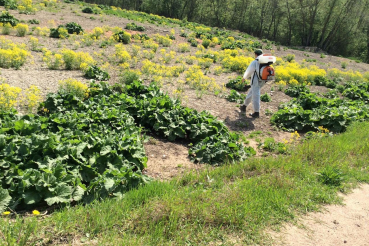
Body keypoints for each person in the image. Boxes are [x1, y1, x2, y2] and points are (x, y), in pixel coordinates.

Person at [239, 49, 265, 118]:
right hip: (262, 81)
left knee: (256, 95)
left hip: (256, 81)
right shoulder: (264, 62)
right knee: (251, 92)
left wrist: (244, 77)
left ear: (256, 54)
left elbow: (249, 70)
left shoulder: (255, 61)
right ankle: (244, 106)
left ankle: (256, 112)